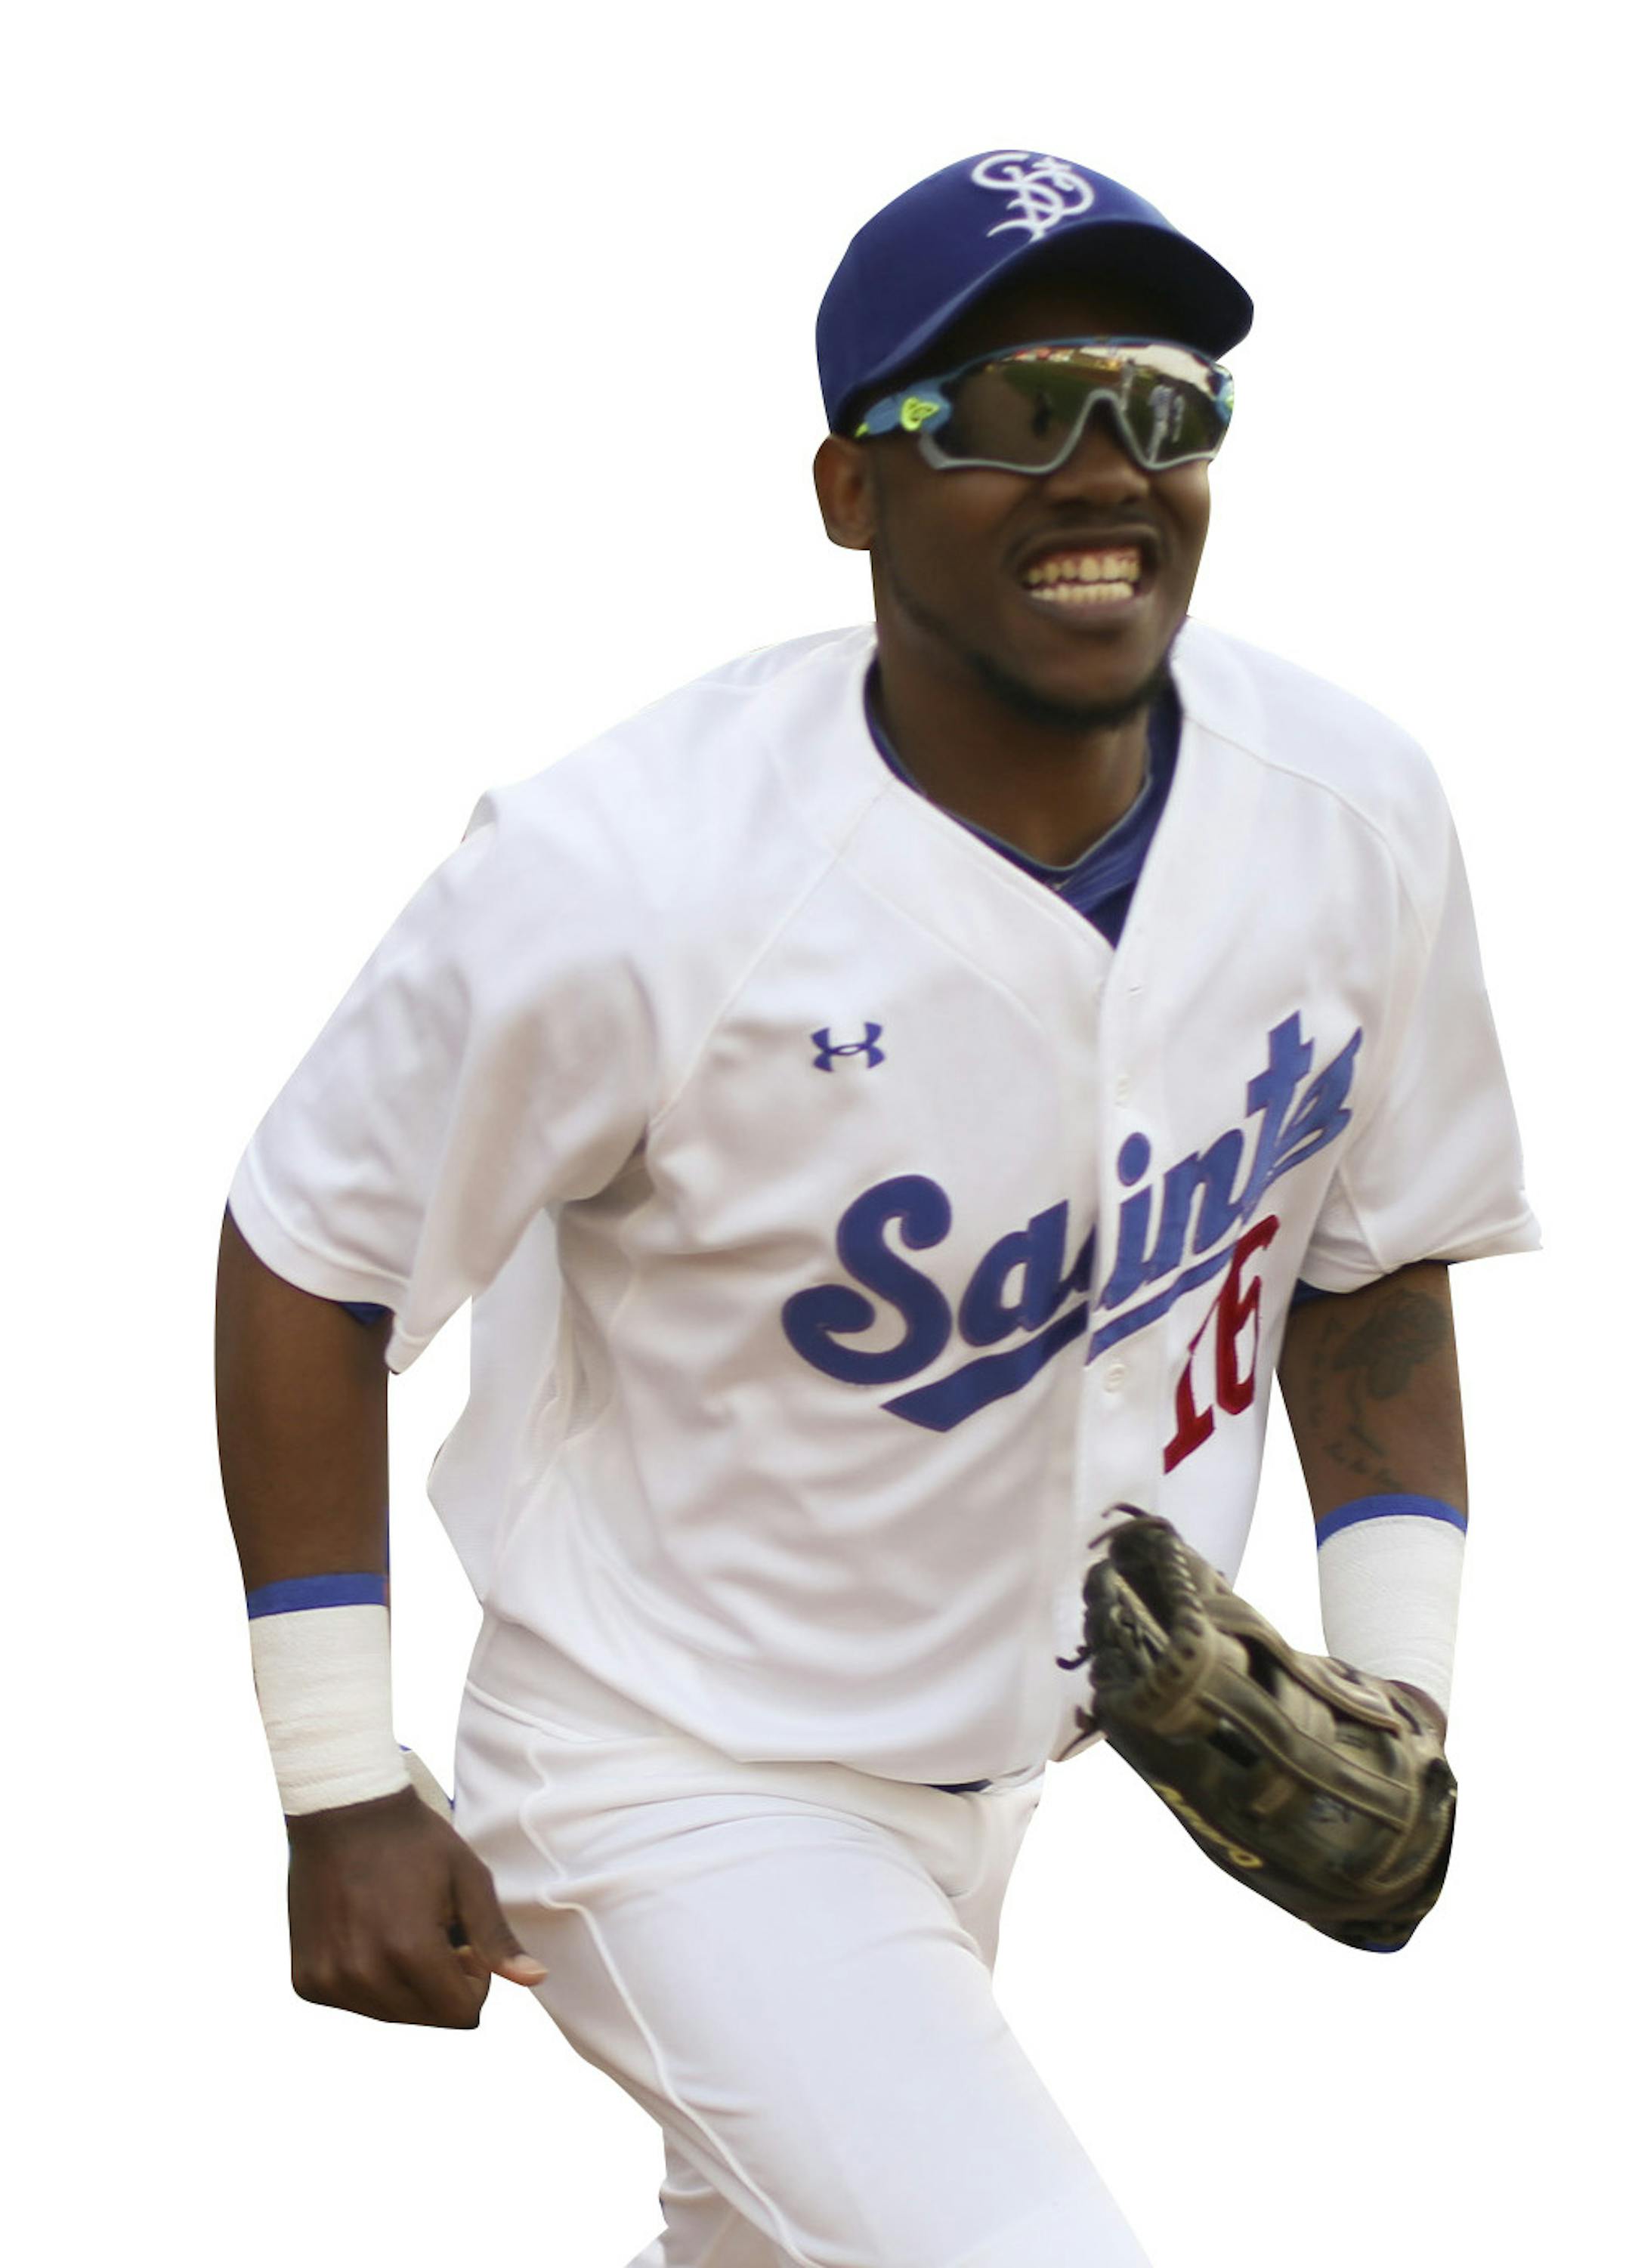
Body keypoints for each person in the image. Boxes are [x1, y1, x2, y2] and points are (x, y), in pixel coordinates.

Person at [215, 150, 1537, 2267]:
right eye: (1017, 411)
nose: (1105, 467)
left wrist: (1406, 1688)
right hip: (671, 1762)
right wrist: (332, 1767)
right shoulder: (625, 878)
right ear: (853, 490)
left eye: (1160, 404)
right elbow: (314, 1250)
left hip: (1000, 1771)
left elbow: (1365, 1259)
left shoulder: (1348, 815)